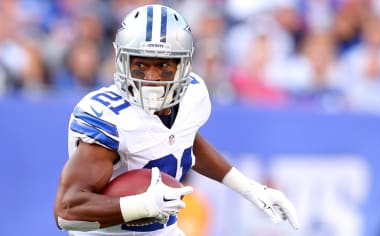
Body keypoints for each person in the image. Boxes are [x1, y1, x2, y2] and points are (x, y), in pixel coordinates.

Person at [53, 4, 299, 236]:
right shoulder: (109, 118)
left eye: (163, 65)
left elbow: (185, 142)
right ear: (122, 61)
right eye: (140, 64)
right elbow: (67, 212)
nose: (152, 77)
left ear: (184, 65)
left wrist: (249, 188)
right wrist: (142, 205)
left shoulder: (193, 94)